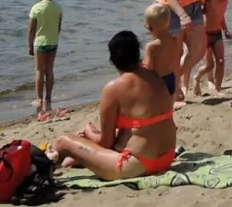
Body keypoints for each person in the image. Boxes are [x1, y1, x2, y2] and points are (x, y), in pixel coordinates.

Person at [51, 31, 177, 180]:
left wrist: (88, 132)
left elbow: (106, 143)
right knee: (70, 160)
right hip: (166, 158)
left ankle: (39, 172)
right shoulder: (155, 76)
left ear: (113, 60)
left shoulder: (114, 88)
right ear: (137, 53)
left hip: (137, 164)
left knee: (63, 141)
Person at [194, 0, 232, 95]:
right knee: (209, 65)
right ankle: (196, 78)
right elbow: (197, 8)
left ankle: (218, 89)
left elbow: (221, 16)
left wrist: (226, 30)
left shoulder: (225, 1)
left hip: (217, 33)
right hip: (205, 34)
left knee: (221, 61)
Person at [28, 0, 63, 119]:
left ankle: (38, 99)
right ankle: (48, 99)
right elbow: (58, 27)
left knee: (39, 70)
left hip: (40, 42)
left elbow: (31, 29)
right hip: (53, 41)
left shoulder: (36, 8)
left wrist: (30, 45)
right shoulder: (58, 7)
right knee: (49, 70)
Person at [142, 3, 181, 100]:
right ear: (169, 22)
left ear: (149, 27)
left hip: (157, 81)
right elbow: (175, 59)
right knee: (168, 108)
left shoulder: (151, 46)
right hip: (170, 78)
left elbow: (148, 68)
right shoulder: (174, 40)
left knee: (155, 108)